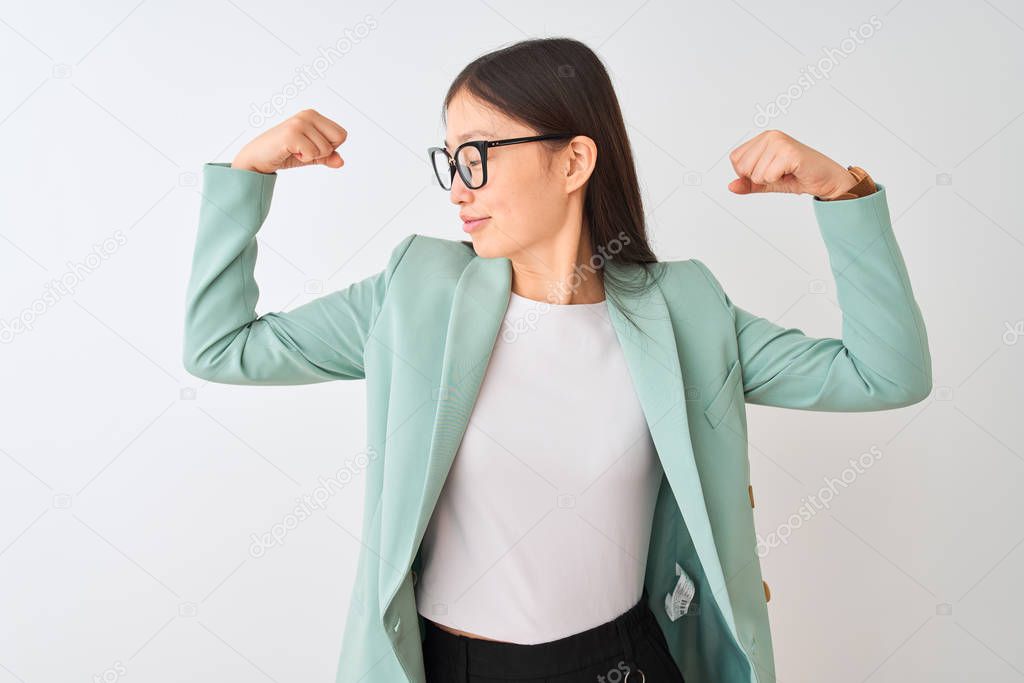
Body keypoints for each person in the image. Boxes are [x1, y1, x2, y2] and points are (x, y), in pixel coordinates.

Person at [183, 37, 931, 683]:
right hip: (456, 665)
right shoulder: (414, 296)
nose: (458, 188)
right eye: (450, 160)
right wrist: (249, 178)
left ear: (573, 160)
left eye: (476, 155)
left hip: (628, 657)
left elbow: (884, 373)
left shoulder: (685, 310)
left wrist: (843, 195)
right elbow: (222, 348)